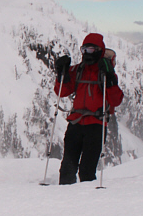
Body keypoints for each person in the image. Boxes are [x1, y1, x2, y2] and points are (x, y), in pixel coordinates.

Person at [53, 33, 124, 185]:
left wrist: (111, 79)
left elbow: (115, 100)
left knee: (86, 170)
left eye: (91, 50)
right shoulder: (78, 70)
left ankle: (87, 205)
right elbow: (62, 92)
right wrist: (61, 75)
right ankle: (64, 203)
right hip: (76, 123)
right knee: (67, 168)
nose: (86, 53)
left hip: (96, 125)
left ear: (99, 50)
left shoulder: (105, 73)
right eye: (84, 50)